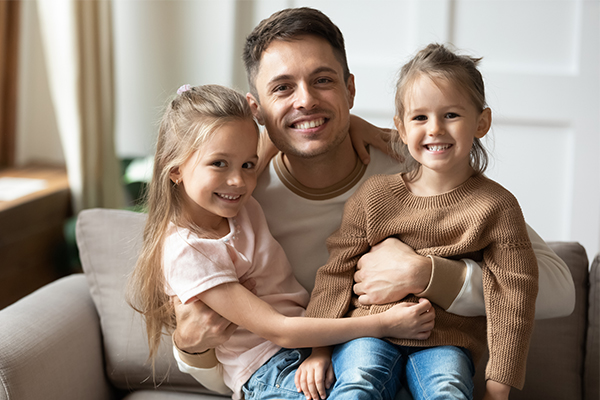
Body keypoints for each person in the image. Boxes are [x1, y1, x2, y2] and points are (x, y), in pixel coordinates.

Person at [171, 7, 575, 399]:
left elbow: (559, 290)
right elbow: (240, 370)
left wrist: (428, 274)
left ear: (350, 89)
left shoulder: (421, 168)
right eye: (282, 87)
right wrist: (192, 349)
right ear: (256, 108)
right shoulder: (239, 199)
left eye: (323, 80)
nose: (305, 100)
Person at [128, 84, 436, 400]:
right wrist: (384, 324)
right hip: (266, 369)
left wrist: (351, 124)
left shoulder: (238, 202)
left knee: (380, 382)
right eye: (219, 164)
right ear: (176, 169)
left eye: (248, 165)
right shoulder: (187, 251)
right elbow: (280, 329)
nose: (238, 180)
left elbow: (276, 140)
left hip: (310, 348)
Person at [303, 43, 538, 400]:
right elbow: (335, 274)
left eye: (451, 115)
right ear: (400, 126)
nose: (435, 129)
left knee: (448, 390)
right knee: (358, 383)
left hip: (445, 343)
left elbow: (514, 295)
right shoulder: (373, 196)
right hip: (368, 332)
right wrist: (319, 350)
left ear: (482, 122)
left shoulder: (497, 206)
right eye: (419, 118)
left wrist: (498, 385)